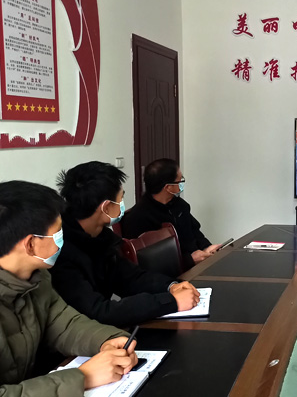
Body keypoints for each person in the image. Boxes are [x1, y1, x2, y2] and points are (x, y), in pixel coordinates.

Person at [0, 180, 139, 395]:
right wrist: (84, 377)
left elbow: (65, 324)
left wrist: (106, 340)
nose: (63, 238)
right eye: (58, 232)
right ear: (30, 244)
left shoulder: (37, 278)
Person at [51, 161, 201, 328]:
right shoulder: (59, 251)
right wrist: (170, 302)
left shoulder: (100, 238)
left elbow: (130, 278)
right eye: (121, 198)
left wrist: (171, 286)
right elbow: (99, 312)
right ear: (106, 207)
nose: (122, 203)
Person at [120, 158, 221, 268]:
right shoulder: (138, 217)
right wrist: (189, 260)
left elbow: (195, 231)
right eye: (180, 180)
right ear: (168, 187)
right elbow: (147, 262)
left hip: (197, 264)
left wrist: (207, 248)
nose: (182, 183)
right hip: (174, 272)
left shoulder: (180, 205)